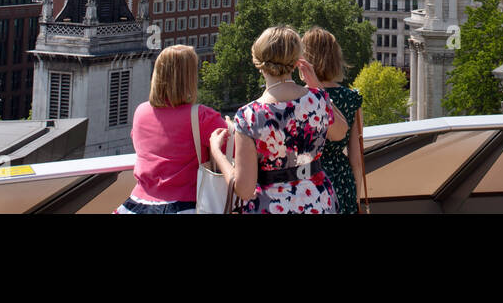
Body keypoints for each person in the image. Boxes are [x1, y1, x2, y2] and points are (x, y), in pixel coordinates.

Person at [210, 25, 347, 213]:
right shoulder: (317, 99)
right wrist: (317, 88)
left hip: (272, 206)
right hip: (318, 201)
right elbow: (341, 132)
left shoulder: (249, 116)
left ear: (258, 61)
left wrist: (217, 152)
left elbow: (244, 189)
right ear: (297, 60)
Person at [117, 44, 226, 214]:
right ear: (189, 78)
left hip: (137, 204)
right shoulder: (202, 117)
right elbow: (235, 151)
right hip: (183, 205)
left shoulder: (141, 112)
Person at [301, 27, 365, 214]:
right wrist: (356, 199)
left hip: (308, 177)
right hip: (341, 179)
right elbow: (356, 158)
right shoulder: (351, 98)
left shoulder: (299, 98)